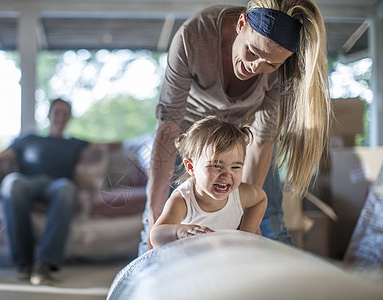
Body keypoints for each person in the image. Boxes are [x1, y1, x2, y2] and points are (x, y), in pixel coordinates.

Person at [139, 0, 330, 255]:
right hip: (191, 139)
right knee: (158, 221)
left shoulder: (282, 64)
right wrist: (155, 215)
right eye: (252, 52)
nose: (256, 67)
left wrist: (243, 214)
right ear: (241, 24)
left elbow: (263, 138)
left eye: (270, 65)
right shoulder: (193, 36)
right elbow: (169, 125)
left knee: (269, 216)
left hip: (245, 141)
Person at [0, 98, 89, 285]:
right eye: (56, 112)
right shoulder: (29, 139)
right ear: (49, 115)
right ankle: (24, 263)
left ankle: (45, 264)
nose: (60, 117)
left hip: (57, 184)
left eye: (65, 113)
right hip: (27, 182)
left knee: (68, 188)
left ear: (70, 117)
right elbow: (1, 156)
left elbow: (111, 146)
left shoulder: (75, 143)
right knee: (12, 183)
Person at [150, 116, 267, 248]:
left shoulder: (240, 194)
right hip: (193, 259)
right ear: (191, 167)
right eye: (216, 166)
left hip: (225, 256)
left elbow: (260, 199)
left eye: (235, 167)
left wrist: (247, 231)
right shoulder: (183, 200)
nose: (227, 174)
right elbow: (156, 236)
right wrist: (178, 231)